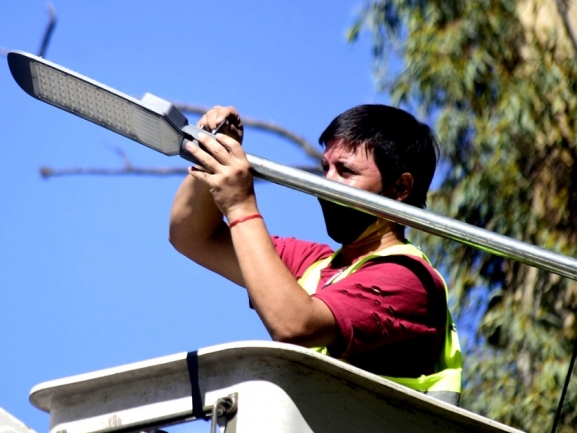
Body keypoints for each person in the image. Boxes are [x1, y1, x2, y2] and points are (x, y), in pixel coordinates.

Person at [169, 104, 462, 404]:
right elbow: (192, 236)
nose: (328, 183)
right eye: (325, 169)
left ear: (401, 187)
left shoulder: (408, 279)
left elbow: (294, 325)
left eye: (345, 171)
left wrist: (240, 206)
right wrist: (211, 151)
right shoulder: (313, 264)